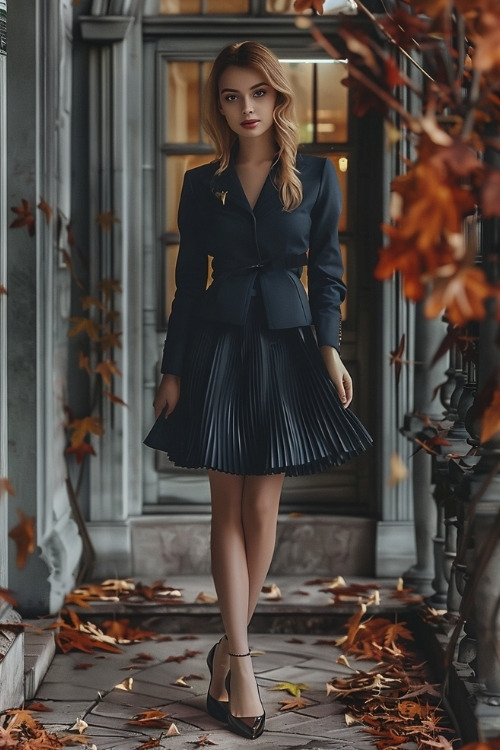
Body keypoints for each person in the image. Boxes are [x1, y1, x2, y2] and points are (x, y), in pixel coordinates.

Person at [145, 40, 372, 740]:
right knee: (225, 504)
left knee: (263, 506)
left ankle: (225, 648)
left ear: (278, 98)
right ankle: (240, 662)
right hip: (215, 349)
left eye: (258, 94)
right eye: (231, 96)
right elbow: (186, 288)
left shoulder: (315, 175)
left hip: (285, 348)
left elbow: (329, 271)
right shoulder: (200, 180)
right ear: (219, 105)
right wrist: (172, 369)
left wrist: (331, 351)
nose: (246, 108)